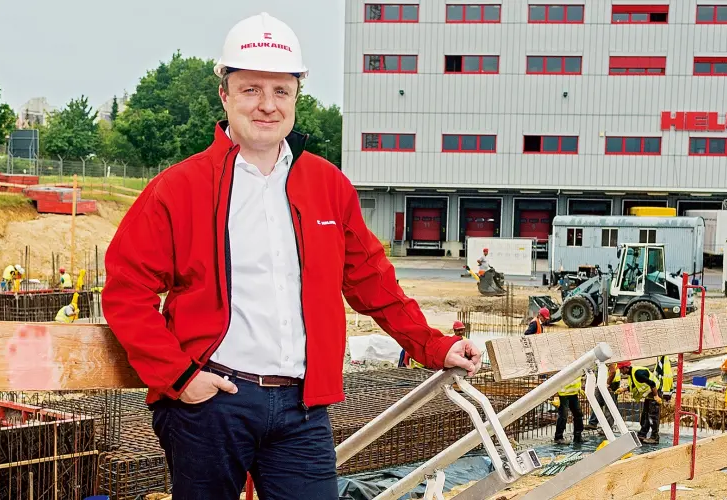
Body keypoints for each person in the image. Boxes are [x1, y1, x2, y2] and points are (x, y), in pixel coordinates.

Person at [101, 12, 482, 500]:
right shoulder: (179, 189)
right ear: (225, 95)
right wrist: (181, 378)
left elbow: (371, 282)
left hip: (302, 407)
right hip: (213, 405)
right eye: (251, 89)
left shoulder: (327, 186)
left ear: (297, 96)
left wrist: (432, 344)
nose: (267, 105)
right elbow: (126, 292)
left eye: (281, 91)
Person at [616, 361, 663, 445]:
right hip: (649, 394)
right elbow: (634, 386)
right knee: (645, 415)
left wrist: (656, 396)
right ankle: (642, 434)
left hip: (654, 392)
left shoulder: (637, 373)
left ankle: (654, 438)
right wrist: (623, 390)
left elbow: (652, 383)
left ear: (625, 368)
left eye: (620, 369)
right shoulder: (632, 374)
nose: (620, 371)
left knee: (653, 416)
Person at [399, 321, 466, 367]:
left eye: (462, 330)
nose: (460, 332)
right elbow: (407, 356)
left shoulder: (465, 341)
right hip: (418, 369)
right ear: (454, 330)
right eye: (458, 330)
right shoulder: (416, 346)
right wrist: (408, 367)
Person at [584, 362, 621, 431]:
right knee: (596, 402)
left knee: (609, 406)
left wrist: (607, 384)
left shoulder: (607, 359)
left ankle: (608, 429)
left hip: (611, 383)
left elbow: (613, 372)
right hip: (602, 382)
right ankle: (593, 423)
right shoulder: (597, 360)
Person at [554, 374, 586, 445]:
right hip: (563, 394)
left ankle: (578, 437)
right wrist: (556, 396)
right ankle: (558, 438)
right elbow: (557, 379)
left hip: (573, 393)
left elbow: (576, 378)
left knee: (578, 414)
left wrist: (579, 388)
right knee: (563, 416)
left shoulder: (577, 366)